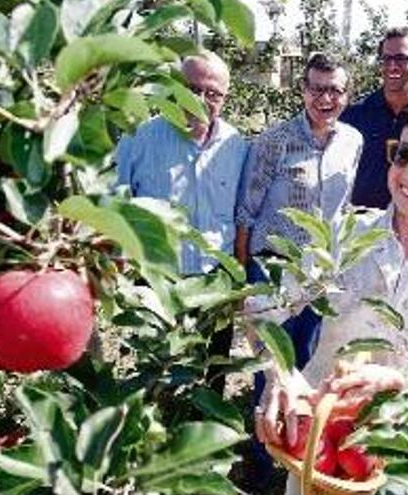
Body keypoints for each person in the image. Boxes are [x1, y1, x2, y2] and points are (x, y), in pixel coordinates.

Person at [252, 94, 408, 494]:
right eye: (403, 155)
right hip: (323, 447)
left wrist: (399, 382)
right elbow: (261, 310)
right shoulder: (345, 236)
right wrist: (279, 375)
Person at [235, 52, 362, 482]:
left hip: (320, 271)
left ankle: (299, 452)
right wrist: (242, 276)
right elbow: (247, 210)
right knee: (270, 367)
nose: (326, 98)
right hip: (273, 267)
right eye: (317, 89)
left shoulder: (353, 141)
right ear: (303, 90)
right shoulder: (275, 140)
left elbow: (343, 209)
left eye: (336, 90)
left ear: (348, 94)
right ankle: (261, 459)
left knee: (307, 362)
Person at [114, 50, 249, 393]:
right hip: (159, 283)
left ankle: (207, 443)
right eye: (191, 88)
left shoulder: (237, 145)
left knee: (211, 375)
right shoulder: (138, 139)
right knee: (157, 377)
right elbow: (114, 205)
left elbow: (242, 213)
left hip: (215, 285)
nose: (200, 100)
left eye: (213, 93)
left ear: (225, 97)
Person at [340, 27, 408, 209]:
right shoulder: (353, 116)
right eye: (386, 59)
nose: (392, 65)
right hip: (361, 227)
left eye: (401, 58)